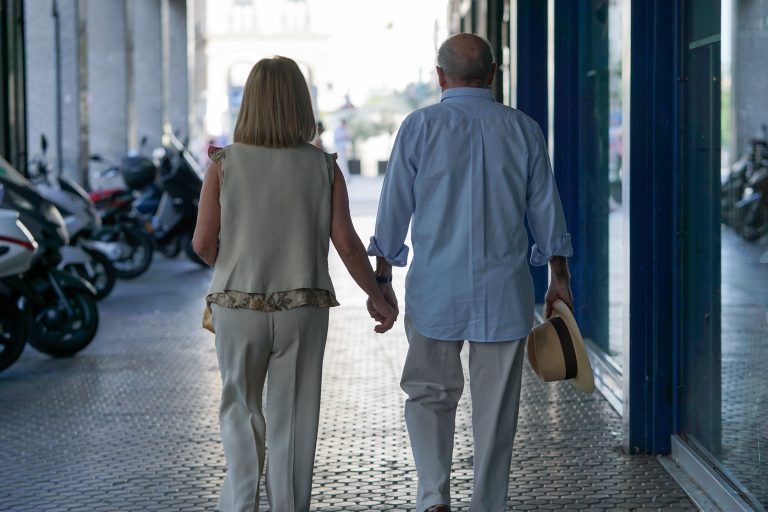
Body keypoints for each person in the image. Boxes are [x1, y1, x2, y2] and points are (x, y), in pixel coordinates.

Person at [367, 33, 574, 512]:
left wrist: (383, 279)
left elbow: (393, 210)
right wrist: (557, 277)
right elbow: (547, 210)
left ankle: (433, 496)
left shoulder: (419, 127)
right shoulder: (523, 129)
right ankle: (487, 505)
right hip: (505, 293)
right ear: (493, 74)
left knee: (427, 395)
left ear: (440, 76)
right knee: (497, 412)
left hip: (435, 290)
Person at [192, 56, 396, 512]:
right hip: (303, 308)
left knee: (240, 409)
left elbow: (204, 244)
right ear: (301, 104)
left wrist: (235, 265)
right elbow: (345, 244)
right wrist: (377, 294)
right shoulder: (323, 167)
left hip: (237, 305)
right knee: (295, 417)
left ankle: (240, 504)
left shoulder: (224, 165)